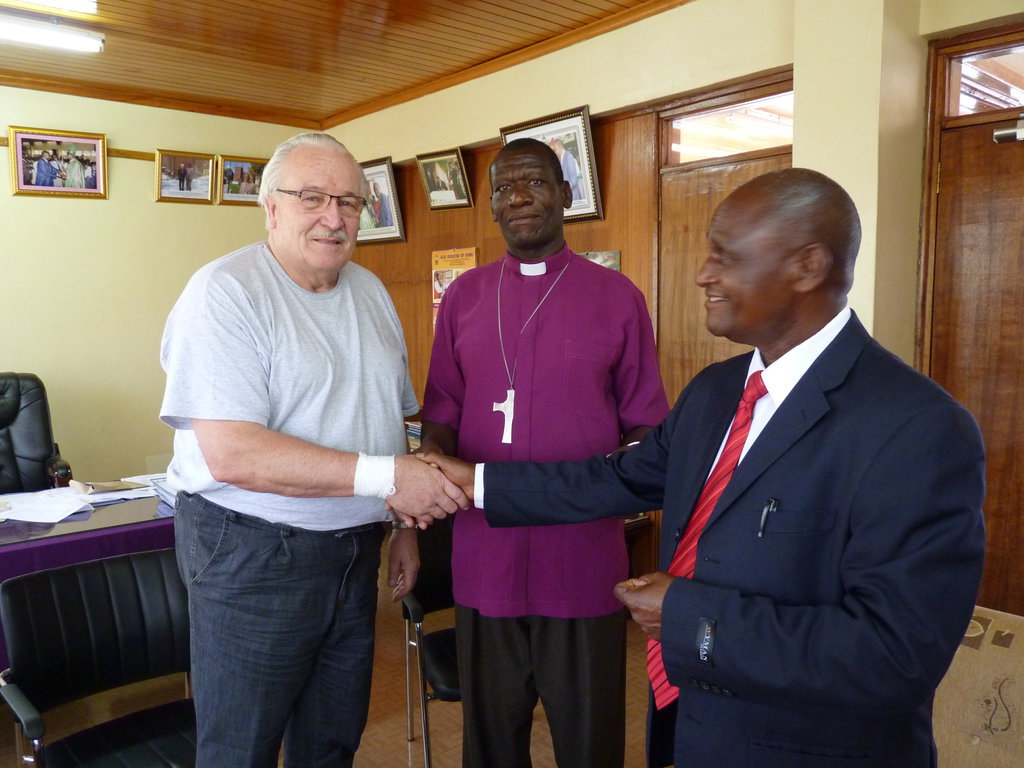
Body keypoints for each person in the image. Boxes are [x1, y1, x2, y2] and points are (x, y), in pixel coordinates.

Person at [424, 167, 987, 768]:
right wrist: (477, 481)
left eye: (726, 257)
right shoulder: (716, 392)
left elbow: (893, 656)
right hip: (695, 734)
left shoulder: (918, 429)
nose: (703, 275)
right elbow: (617, 477)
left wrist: (689, 618)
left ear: (807, 267)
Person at [160, 131, 466, 768]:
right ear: (270, 206)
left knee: (332, 742)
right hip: (252, 554)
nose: (335, 217)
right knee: (241, 749)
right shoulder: (225, 293)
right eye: (313, 198)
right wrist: (390, 480)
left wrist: (403, 526)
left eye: (351, 202)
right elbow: (235, 453)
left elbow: (385, 424)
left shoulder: (372, 293)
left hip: (353, 554)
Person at [420, 137, 668, 768]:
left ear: (565, 195)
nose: (519, 197)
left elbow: (646, 430)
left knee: (589, 743)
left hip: (582, 559)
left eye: (534, 182)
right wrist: (427, 489)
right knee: (491, 743)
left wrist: (620, 486)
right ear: (494, 209)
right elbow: (441, 415)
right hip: (485, 558)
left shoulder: (618, 298)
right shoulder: (464, 299)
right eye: (504, 188)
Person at [548, 136, 582, 202]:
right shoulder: (561, 158)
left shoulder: (568, 156)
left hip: (574, 197)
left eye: (554, 150)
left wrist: (560, 191)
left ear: (559, 147)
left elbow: (573, 181)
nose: (554, 153)